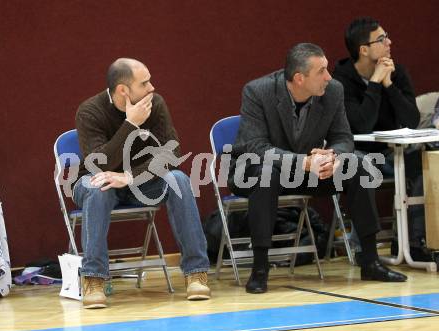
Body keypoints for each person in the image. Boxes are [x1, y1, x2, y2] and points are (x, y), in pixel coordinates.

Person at [228, 43, 407, 294]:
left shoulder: (333, 91)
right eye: (321, 71)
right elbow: (256, 147)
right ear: (299, 78)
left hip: (309, 170)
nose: (329, 76)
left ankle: (370, 260)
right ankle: (260, 268)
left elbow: (344, 138)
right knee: (266, 175)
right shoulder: (258, 91)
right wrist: (304, 162)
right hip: (256, 169)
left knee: (358, 165)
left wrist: (334, 157)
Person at [73, 58, 211, 308]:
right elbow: (99, 165)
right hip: (96, 179)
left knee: (178, 179)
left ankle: (196, 273)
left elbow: (172, 152)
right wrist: (130, 124)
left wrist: (131, 176)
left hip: (140, 181)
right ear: (123, 90)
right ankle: (93, 278)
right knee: (98, 186)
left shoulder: (154, 104)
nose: (152, 88)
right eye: (144, 83)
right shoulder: (89, 111)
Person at [333, 17, 424, 255]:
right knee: (361, 164)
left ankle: (412, 242)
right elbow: (361, 126)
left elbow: (412, 120)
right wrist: (375, 83)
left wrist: (389, 85)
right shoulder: (340, 80)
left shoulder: (395, 71)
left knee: (427, 161)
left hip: (392, 153)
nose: (389, 43)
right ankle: (366, 247)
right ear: (364, 50)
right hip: (357, 155)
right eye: (382, 39)